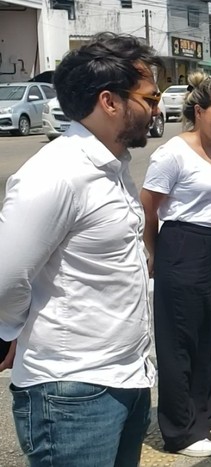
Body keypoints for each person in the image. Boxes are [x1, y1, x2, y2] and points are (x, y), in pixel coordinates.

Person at [0, 33, 163, 466]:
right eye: (150, 96)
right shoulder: (57, 174)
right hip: (71, 392)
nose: (157, 108)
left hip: (125, 377)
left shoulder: (111, 167)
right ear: (110, 102)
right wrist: (10, 331)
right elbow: (6, 276)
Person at [140, 71, 211, 457]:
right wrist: (155, 252)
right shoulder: (172, 153)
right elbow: (149, 206)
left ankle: (206, 416)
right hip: (184, 244)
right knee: (181, 340)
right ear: (198, 112)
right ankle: (179, 431)